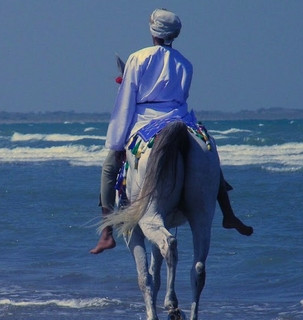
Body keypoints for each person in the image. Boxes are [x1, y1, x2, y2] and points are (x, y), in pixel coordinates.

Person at [90, 8, 252, 255]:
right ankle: (228, 214)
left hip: (146, 121)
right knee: (209, 156)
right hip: (181, 118)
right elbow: (182, 97)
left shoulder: (138, 58)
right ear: (174, 35)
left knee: (110, 167)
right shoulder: (185, 63)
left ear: (153, 32)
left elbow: (126, 101)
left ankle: (106, 233)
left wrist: (117, 142)